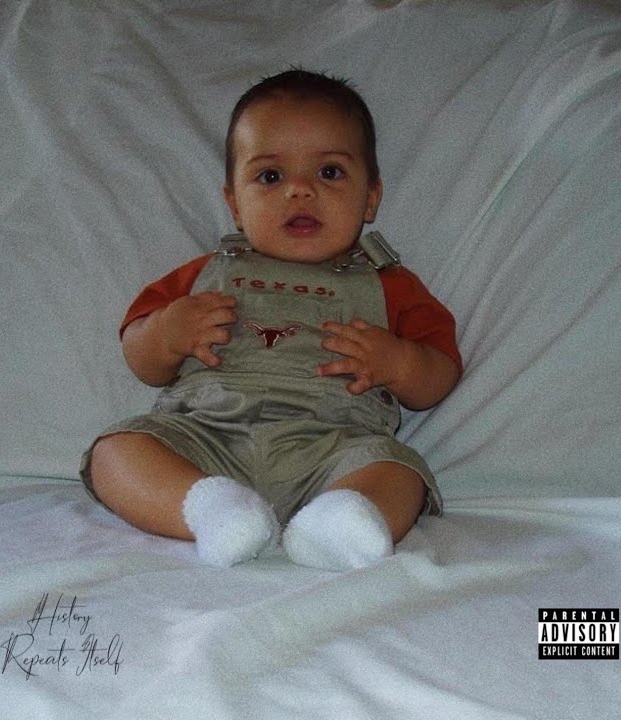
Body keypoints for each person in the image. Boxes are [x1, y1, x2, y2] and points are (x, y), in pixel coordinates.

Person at [80, 69, 462, 570]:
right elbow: (140, 358)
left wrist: (400, 363)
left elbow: (439, 374)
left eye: (329, 172)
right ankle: (211, 510)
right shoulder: (206, 274)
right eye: (270, 177)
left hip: (332, 447)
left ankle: (341, 519)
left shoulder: (391, 284)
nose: (300, 191)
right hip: (206, 437)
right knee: (115, 451)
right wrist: (167, 333)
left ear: (370, 197)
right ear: (235, 204)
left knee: (400, 473)